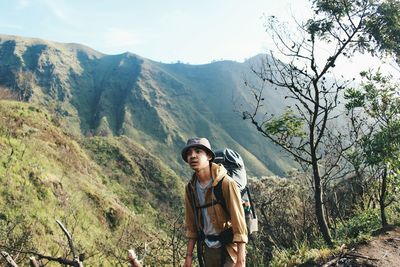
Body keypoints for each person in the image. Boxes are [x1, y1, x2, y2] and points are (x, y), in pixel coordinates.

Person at [182, 137, 247, 267]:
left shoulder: (226, 183)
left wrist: (241, 261)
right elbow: (192, 226)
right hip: (209, 249)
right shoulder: (191, 188)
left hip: (230, 248)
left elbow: (239, 223)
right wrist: (188, 257)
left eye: (198, 151)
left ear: (209, 156)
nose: (192, 156)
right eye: (189, 153)